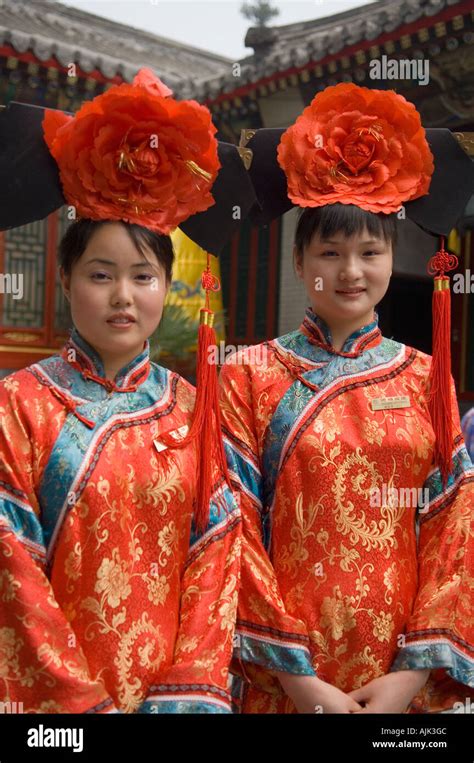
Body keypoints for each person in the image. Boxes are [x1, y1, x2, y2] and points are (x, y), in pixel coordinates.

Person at [219, 83, 474, 714]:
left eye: (369, 252)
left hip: (400, 674)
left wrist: (415, 671)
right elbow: (231, 530)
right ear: (302, 260)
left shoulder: (423, 376)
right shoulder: (249, 373)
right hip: (286, 677)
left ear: (393, 259)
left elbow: (453, 529)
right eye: (330, 252)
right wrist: (296, 679)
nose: (351, 271)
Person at [0, 69, 246, 714]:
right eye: (100, 274)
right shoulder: (17, 406)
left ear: (168, 285)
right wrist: (81, 703)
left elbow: (216, 556)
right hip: (60, 704)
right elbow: (11, 570)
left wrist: (185, 692)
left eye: (142, 276)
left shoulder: (195, 408)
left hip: (173, 695)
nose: (122, 297)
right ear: (64, 278)